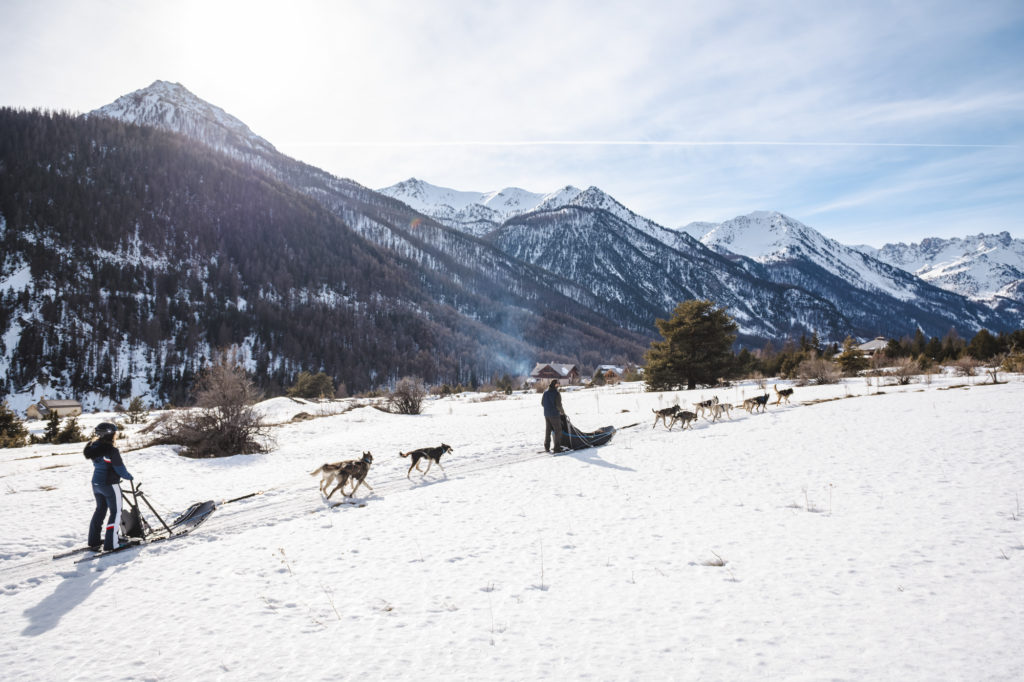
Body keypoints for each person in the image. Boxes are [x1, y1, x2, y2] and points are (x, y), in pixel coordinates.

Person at [84, 422, 134, 550]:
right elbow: (120, 469)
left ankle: (93, 541)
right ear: (110, 434)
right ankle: (112, 543)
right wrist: (129, 476)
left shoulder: (93, 447)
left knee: (100, 510)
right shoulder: (112, 450)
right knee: (115, 512)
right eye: (114, 433)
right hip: (109, 485)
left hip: (96, 484)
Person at [541, 379, 566, 453]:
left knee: (548, 430)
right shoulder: (556, 393)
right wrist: (562, 412)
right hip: (554, 415)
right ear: (555, 384)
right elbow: (558, 405)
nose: (559, 385)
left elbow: (542, 403)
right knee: (558, 430)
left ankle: (546, 447)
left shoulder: (545, 392)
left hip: (546, 414)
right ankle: (557, 448)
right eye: (558, 384)